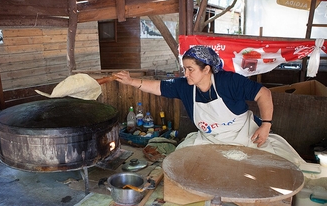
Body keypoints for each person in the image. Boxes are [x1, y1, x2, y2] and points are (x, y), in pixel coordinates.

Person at [113, 45, 304, 165]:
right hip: (210, 139)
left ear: (206, 69)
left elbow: (264, 93)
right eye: (184, 69)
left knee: (277, 165)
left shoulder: (229, 81)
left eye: (190, 69)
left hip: (244, 136)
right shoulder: (185, 87)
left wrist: (266, 125)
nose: (185, 74)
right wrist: (131, 81)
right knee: (180, 162)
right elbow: (157, 86)